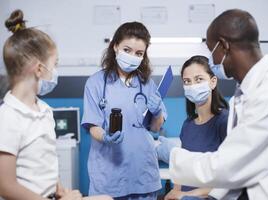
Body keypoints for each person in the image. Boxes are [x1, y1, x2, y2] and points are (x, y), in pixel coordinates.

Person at [156, 9, 268, 200]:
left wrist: (172, 156)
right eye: (187, 81)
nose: (213, 60)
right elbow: (238, 169)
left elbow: (228, 166)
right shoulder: (247, 93)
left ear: (223, 46)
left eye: (211, 51)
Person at [0, 10, 112, 200]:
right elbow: (5, 186)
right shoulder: (8, 117)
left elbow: (46, 164)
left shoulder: (44, 111)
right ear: (39, 69)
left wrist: (61, 190)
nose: (55, 71)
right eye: (55, 64)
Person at [81, 22, 167, 199]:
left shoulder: (147, 84)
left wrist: (157, 112)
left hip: (143, 174)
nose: (132, 56)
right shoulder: (96, 83)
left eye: (139, 53)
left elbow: (155, 128)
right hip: (109, 177)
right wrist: (105, 136)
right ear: (115, 47)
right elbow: (92, 125)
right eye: (127, 50)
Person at [164, 55, 229, 200]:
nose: (192, 85)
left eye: (199, 79)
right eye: (187, 81)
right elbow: (182, 168)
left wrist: (187, 195)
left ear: (212, 82)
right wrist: (176, 191)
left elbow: (228, 178)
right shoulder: (188, 125)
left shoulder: (224, 121)